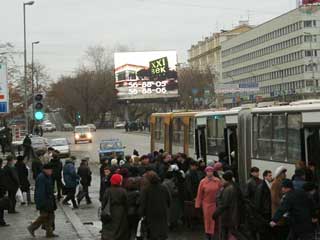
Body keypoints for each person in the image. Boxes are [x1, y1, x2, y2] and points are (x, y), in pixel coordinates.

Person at [27, 163, 58, 238]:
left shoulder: (47, 176)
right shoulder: (41, 177)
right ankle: (32, 227)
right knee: (44, 216)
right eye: (50, 170)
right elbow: (40, 192)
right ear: (46, 170)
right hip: (45, 201)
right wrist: (42, 203)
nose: (51, 172)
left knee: (50, 216)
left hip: (49, 200)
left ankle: (49, 233)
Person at [139, 171, 171, 240]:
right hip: (162, 212)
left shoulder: (146, 189)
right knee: (162, 233)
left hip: (150, 214)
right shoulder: (164, 187)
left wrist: (142, 214)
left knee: (152, 234)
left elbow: (143, 203)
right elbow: (169, 200)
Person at [212, 170, 242, 240]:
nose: (221, 181)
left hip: (228, 216)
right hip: (232, 215)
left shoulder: (228, 189)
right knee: (231, 232)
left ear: (226, 180)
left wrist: (215, 213)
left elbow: (224, 204)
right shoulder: (233, 186)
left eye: (222, 179)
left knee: (228, 233)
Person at [195, 166, 222, 240]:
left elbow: (221, 191)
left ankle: (215, 233)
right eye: (208, 171)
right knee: (207, 219)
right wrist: (197, 204)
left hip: (216, 203)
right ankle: (208, 233)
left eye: (211, 171)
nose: (209, 173)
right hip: (206, 203)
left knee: (216, 219)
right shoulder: (202, 182)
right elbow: (199, 194)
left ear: (213, 172)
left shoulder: (217, 180)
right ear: (206, 172)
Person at [101, 174, 129, 240]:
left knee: (109, 227)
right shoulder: (123, 191)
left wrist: (103, 209)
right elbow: (126, 202)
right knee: (119, 227)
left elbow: (104, 202)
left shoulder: (108, 190)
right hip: (120, 212)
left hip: (109, 210)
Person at [271, 166, 289, 240]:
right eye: (283, 173)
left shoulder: (281, 182)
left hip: (282, 211)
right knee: (279, 232)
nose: (285, 174)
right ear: (279, 174)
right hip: (278, 211)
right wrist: (283, 205)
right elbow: (274, 198)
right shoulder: (275, 183)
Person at [255, 170, 273, 240]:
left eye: (271, 175)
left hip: (266, 211)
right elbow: (258, 200)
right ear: (265, 177)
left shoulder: (267, 185)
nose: (271, 177)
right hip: (264, 212)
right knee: (264, 231)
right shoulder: (262, 186)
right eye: (269, 175)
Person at [0, 158, 9, 226]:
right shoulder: (1, 171)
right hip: (1, 191)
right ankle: (1, 221)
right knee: (1, 207)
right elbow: (3, 182)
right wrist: (5, 191)